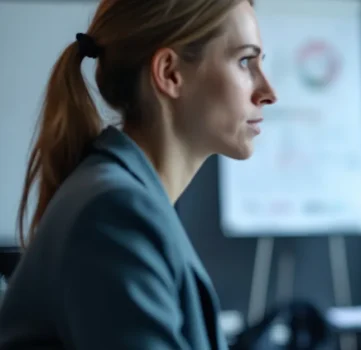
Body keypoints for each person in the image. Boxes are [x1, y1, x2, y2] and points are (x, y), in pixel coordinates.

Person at [0, 0, 275, 348]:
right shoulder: (115, 213)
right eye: (245, 61)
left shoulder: (117, 197)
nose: (268, 92)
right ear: (170, 73)